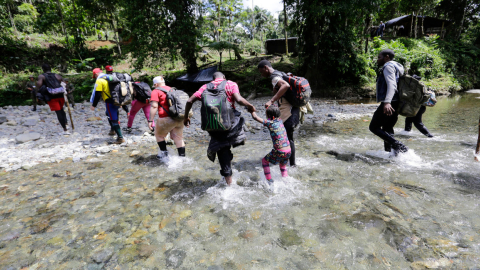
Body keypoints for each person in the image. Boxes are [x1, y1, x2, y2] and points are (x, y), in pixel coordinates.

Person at [184, 72, 256, 185]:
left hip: (213, 125)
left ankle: (228, 182)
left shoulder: (204, 87)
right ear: (224, 77)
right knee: (238, 119)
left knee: (222, 150)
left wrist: (186, 117)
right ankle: (238, 140)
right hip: (230, 125)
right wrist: (250, 106)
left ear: (212, 79)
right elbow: (238, 99)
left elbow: (189, 101)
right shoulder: (230, 84)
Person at [257, 60, 300, 167]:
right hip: (293, 110)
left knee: (288, 139)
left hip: (289, 113)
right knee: (289, 138)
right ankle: (289, 163)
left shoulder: (274, 77)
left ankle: (292, 165)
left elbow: (285, 85)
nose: (262, 75)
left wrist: (271, 101)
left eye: (262, 72)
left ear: (266, 68)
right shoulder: (279, 73)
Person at [369, 49, 408, 156]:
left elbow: (392, 85)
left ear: (386, 57)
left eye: (379, 57)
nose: (377, 60)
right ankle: (392, 155)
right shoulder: (397, 66)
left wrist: (387, 102)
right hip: (397, 102)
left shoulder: (388, 66)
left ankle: (399, 146)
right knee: (387, 128)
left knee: (373, 127)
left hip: (390, 102)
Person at [251, 106, 291, 186]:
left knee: (264, 161)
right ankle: (286, 181)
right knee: (282, 166)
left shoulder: (269, 123)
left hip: (280, 151)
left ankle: (269, 181)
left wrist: (251, 110)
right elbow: (273, 116)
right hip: (288, 151)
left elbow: (255, 117)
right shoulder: (280, 121)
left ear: (270, 117)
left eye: (266, 115)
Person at [148, 76, 182, 159]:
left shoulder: (156, 91)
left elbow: (154, 107)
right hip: (179, 117)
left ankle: (164, 156)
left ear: (156, 84)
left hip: (165, 118)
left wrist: (150, 120)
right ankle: (182, 159)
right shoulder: (172, 89)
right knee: (178, 138)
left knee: (159, 136)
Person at [91, 68, 125, 144]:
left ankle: (120, 138)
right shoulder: (112, 77)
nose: (95, 78)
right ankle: (113, 130)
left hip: (110, 102)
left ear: (96, 74)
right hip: (118, 100)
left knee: (113, 119)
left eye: (95, 76)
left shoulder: (100, 81)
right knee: (108, 114)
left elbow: (98, 94)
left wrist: (94, 105)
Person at [36, 64, 69, 134]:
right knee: (61, 109)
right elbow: (65, 84)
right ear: (50, 69)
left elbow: (38, 86)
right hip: (61, 96)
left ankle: (65, 128)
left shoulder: (42, 76)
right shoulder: (57, 75)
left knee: (58, 112)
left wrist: (39, 96)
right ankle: (66, 123)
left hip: (52, 97)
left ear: (43, 69)